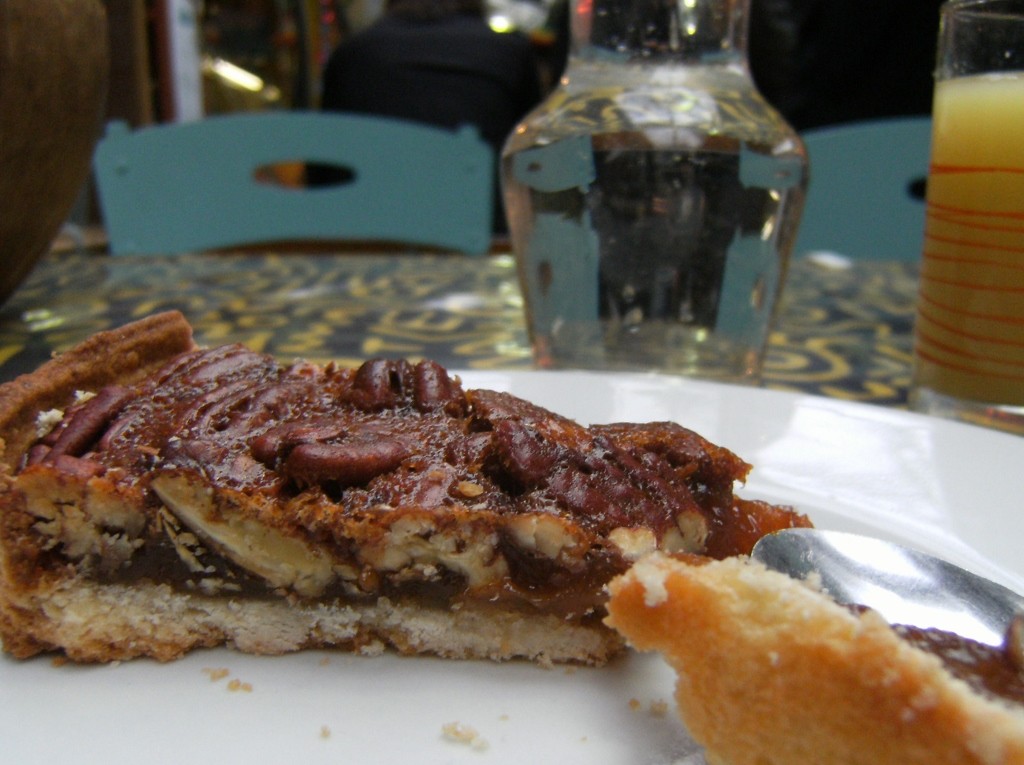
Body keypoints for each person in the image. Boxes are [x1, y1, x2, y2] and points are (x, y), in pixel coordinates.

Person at [316, 0, 544, 232]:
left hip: (368, 236)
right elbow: (534, 167)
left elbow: (323, 176)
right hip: (481, 236)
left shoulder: (353, 53)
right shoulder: (509, 52)